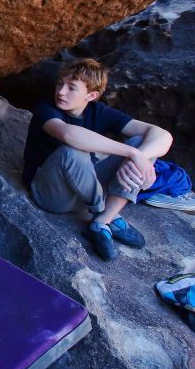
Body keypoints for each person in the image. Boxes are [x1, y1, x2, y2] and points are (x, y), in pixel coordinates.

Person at [23, 58, 173, 260]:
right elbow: (69, 135)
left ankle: (103, 221)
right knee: (71, 151)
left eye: (71, 88)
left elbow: (162, 135)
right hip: (51, 194)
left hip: (84, 190)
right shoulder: (46, 109)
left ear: (91, 95)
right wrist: (131, 154)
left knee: (141, 143)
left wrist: (139, 155)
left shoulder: (98, 111)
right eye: (60, 83)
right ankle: (101, 212)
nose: (61, 91)